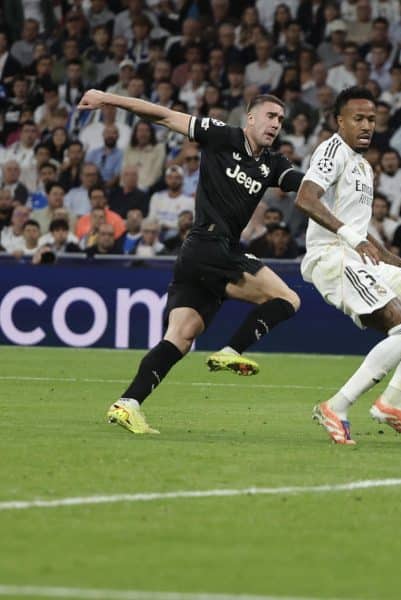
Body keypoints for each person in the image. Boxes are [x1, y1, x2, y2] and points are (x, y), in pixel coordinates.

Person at [76, 90, 341, 435]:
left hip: (200, 256)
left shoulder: (273, 164)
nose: (276, 124)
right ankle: (231, 350)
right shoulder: (221, 135)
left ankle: (128, 404)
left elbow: (306, 189)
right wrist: (107, 98)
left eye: (280, 120)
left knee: (180, 338)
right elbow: (164, 115)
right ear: (250, 118)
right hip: (208, 245)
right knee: (288, 299)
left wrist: (340, 181)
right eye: (270, 116)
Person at [295, 87, 401, 445]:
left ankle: (392, 401)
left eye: (371, 119)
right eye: (358, 118)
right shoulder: (331, 150)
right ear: (340, 121)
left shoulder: (365, 167)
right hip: (333, 258)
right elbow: (305, 198)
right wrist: (353, 241)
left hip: (359, 257)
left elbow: (361, 232)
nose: (367, 125)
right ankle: (335, 406)